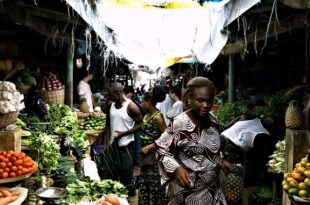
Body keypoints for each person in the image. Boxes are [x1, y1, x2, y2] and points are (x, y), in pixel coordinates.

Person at [155, 77, 228, 205]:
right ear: (189, 99)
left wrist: (220, 160)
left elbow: (211, 147)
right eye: (200, 100)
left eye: (209, 101)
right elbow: (161, 148)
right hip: (186, 192)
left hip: (211, 191)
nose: (205, 105)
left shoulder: (214, 121)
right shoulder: (180, 122)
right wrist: (176, 168)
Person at [102, 83, 143, 196]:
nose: (109, 97)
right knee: (110, 170)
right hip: (112, 144)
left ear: (119, 94)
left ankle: (128, 194)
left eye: (111, 95)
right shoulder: (111, 105)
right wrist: (107, 139)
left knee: (126, 172)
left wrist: (124, 133)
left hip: (126, 144)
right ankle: (114, 195)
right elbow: (108, 124)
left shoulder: (131, 107)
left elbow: (140, 124)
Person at [138, 86, 167, 205]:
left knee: (154, 183)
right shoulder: (146, 116)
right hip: (145, 158)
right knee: (145, 183)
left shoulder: (158, 117)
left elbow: (166, 138)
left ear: (148, 102)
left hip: (154, 158)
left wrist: (150, 146)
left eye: (142, 101)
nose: (141, 103)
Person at [124, 85, 145, 165]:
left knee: (136, 145)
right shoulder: (131, 103)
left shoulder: (132, 103)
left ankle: (137, 161)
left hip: (135, 126)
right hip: (133, 127)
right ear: (129, 93)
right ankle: (135, 161)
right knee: (135, 145)